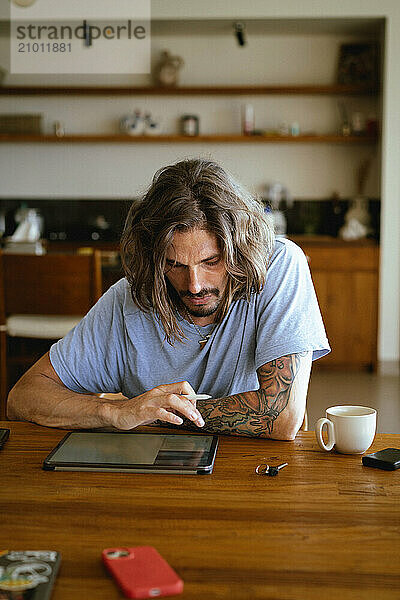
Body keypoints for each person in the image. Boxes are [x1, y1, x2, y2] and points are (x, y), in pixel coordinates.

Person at [7, 158, 330, 439]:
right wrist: (116, 412)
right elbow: (22, 398)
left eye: (211, 262)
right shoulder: (129, 299)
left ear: (240, 249)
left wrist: (153, 416)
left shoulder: (278, 265)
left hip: (252, 471)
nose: (194, 285)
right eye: (174, 264)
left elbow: (281, 417)